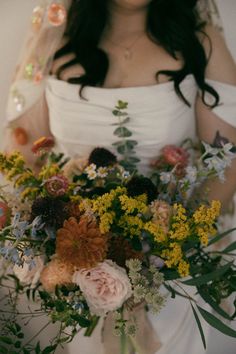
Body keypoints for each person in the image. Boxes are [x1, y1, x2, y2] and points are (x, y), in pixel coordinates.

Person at [4, 0, 236, 353]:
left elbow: (228, 156)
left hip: (175, 273)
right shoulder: (53, 43)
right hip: (79, 270)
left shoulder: (201, 43)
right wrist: (57, 246)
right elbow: (23, 152)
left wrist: (173, 247)